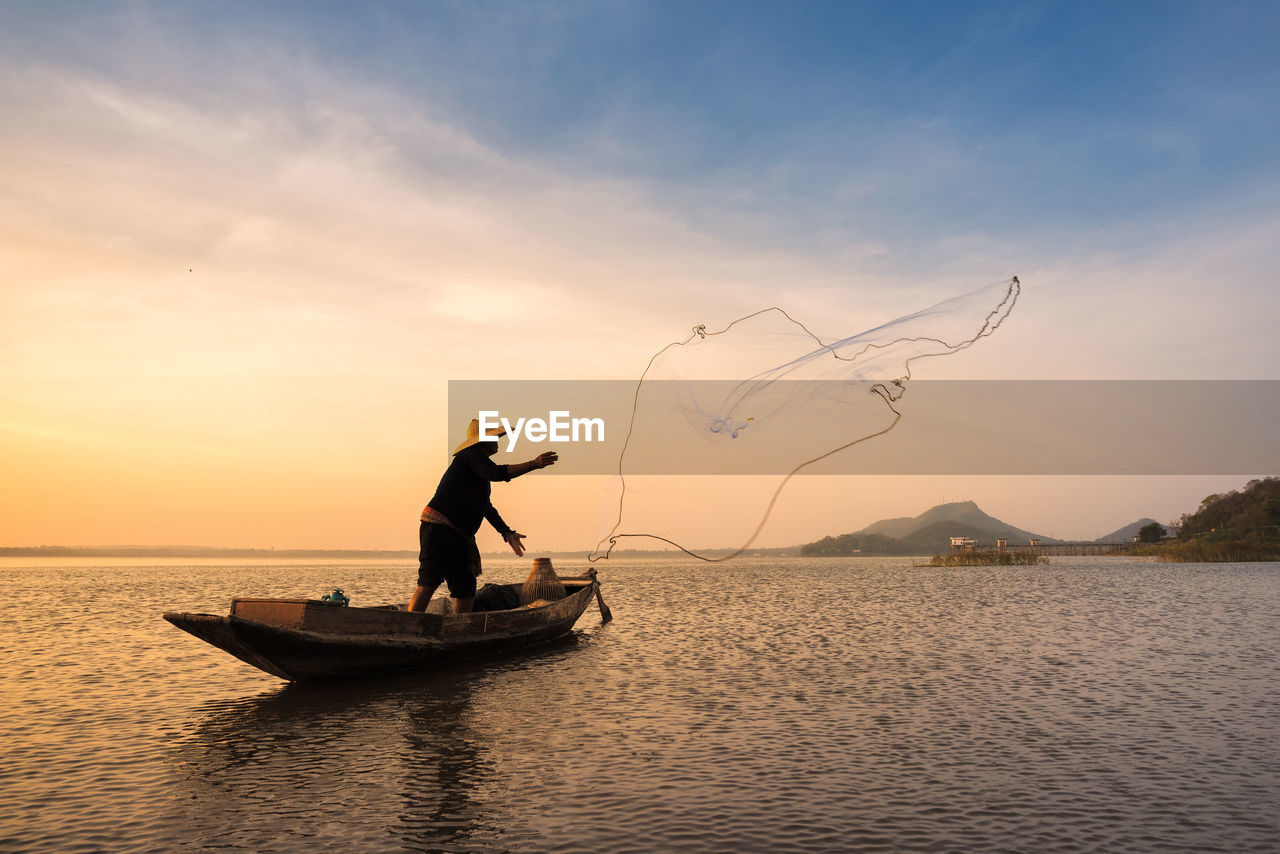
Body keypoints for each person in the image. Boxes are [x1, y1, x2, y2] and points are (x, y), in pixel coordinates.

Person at [408, 418, 558, 614]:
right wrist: (533, 464)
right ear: (481, 441)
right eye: (494, 437)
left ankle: (461, 629)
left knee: (465, 588)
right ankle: (410, 625)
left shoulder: (479, 467)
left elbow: (485, 506)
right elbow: (495, 472)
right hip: (439, 528)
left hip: (460, 535)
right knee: (429, 580)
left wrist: (506, 532)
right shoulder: (469, 455)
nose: (497, 441)